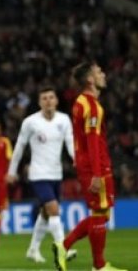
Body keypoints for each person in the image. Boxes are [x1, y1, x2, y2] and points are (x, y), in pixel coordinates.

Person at [62, 63, 127, 271]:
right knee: (100, 214)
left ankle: (64, 246)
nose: (103, 74)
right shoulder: (91, 106)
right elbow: (91, 141)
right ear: (90, 80)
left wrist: (79, 160)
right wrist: (97, 174)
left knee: (102, 214)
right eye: (99, 72)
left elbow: (78, 137)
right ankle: (99, 266)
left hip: (89, 165)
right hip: (95, 167)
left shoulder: (81, 103)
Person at [7, 86, 76, 266]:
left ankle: (33, 249)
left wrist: (77, 160)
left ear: (56, 100)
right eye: (44, 98)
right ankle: (63, 248)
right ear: (39, 102)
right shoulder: (31, 122)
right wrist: (12, 171)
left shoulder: (64, 120)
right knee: (54, 209)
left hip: (56, 173)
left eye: (51, 97)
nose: (48, 101)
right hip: (38, 174)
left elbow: (70, 143)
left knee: (46, 213)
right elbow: (20, 147)